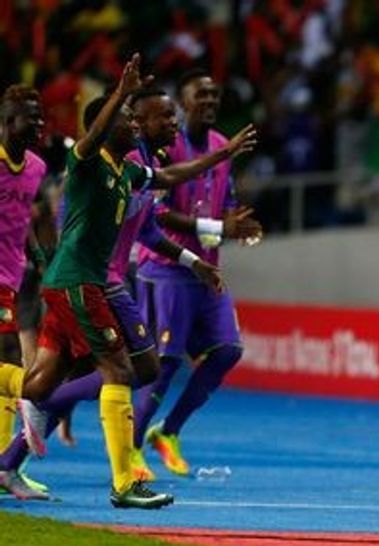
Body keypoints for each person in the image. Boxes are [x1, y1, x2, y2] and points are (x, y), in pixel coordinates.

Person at [0, 54, 254, 508]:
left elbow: (171, 178)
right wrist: (119, 91)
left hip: (90, 282)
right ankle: (124, 483)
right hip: (81, 282)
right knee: (119, 369)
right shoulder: (88, 162)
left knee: (46, 385)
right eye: (129, 120)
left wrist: (222, 154)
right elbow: (92, 135)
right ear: (107, 125)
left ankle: (18, 446)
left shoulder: (130, 171)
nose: (136, 127)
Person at [133, 68, 263, 477]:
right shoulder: (167, 148)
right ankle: (132, 448)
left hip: (207, 269)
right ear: (182, 103)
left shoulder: (223, 146)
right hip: (167, 268)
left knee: (228, 350)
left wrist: (235, 225)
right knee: (166, 363)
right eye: (200, 95)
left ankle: (167, 432)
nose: (209, 101)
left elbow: (225, 204)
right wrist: (217, 228)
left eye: (214, 94)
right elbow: (154, 214)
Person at [0, 84, 48, 491]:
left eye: (40, 116)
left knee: (7, 356)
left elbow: (23, 215)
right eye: (30, 117)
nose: (39, 123)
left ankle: (3, 463)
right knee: (11, 354)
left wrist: (38, 254)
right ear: (7, 123)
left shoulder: (36, 166)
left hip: (15, 275)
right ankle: (34, 399)